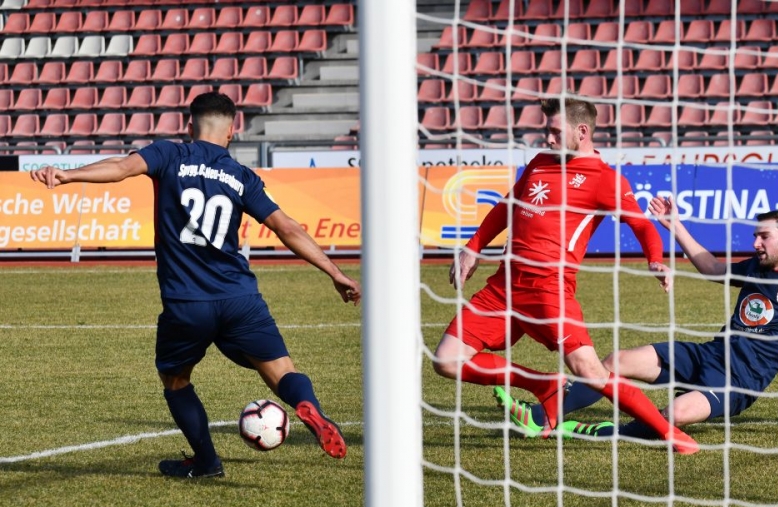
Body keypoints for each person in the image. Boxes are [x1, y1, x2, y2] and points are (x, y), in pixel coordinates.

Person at [30, 92, 361, 478]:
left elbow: (120, 167)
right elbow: (286, 227)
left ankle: (206, 462)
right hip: (240, 298)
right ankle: (311, 409)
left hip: (187, 302)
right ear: (232, 131)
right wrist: (335, 272)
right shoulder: (241, 177)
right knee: (282, 370)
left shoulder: (169, 155)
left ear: (190, 125)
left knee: (175, 379)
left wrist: (67, 175)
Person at [432, 98, 699, 454]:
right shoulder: (540, 162)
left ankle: (672, 435)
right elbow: (506, 208)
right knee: (446, 360)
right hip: (504, 286)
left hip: (549, 291)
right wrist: (473, 247)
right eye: (547, 130)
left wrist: (655, 260)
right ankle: (544, 385)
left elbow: (641, 225)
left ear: (582, 131)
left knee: (590, 371)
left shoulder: (606, 180)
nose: (548, 137)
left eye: (556, 131)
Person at [496, 201, 778, 439]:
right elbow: (711, 269)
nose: (756, 244)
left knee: (673, 414)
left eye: (764, 237)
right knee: (613, 362)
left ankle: (609, 433)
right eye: (756, 236)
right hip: (707, 356)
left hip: (737, 385)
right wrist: (675, 226)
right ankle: (541, 415)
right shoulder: (756, 269)